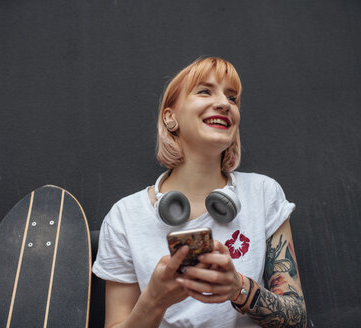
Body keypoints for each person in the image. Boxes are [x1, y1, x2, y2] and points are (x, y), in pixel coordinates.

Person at [93, 57, 307, 328]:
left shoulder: (263, 193)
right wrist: (154, 301)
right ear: (171, 118)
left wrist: (238, 288)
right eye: (205, 91)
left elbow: (296, 319)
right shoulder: (125, 216)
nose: (224, 104)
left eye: (232, 98)